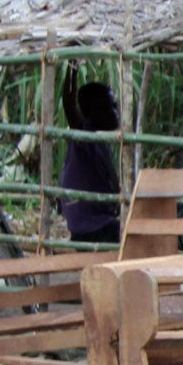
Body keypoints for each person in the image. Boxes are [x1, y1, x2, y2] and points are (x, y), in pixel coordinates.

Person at [58, 75, 121, 246]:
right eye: (107, 109)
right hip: (90, 230)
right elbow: (69, 104)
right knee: (136, 236)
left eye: (115, 107)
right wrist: (73, 66)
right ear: (92, 114)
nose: (115, 114)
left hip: (103, 222)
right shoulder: (83, 136)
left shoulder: (100, 142)